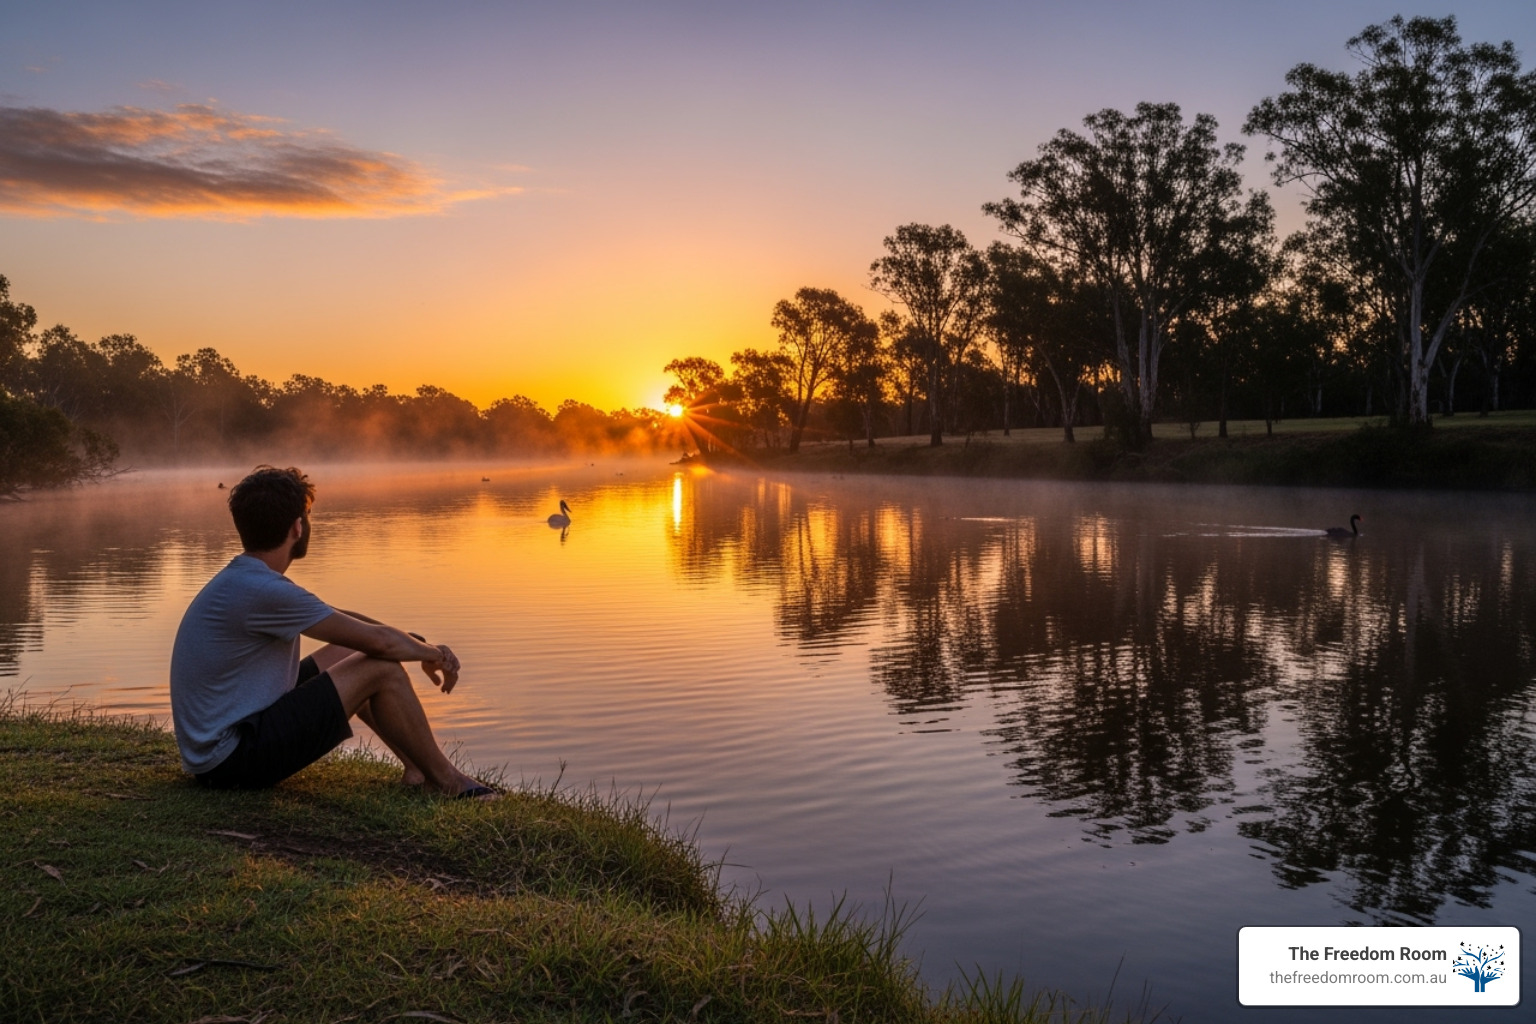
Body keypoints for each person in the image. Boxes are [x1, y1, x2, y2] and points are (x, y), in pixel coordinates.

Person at [169, 465, 497, 798]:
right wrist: (434, 655)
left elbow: (345, 622)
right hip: (232, 762)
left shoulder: (249, 580)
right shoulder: (264, 590)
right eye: (307, 516)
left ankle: (417, 769)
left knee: (355, 652)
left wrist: (413, 643)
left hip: (225, 747)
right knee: (380, 667)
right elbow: (380, 643)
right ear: (298, 527)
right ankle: (449, 783)